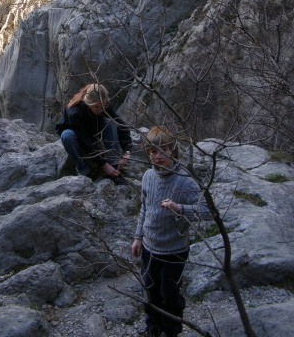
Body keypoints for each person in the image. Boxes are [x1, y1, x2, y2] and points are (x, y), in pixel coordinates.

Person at [131, 126, 211, 337]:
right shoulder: (148, 176)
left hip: (174, 251)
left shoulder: (184, 179)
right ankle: (152, 329)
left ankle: (172, 331)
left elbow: (206, 210)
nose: (158, 156)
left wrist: (179, 208)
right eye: (153, 152)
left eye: (163, 150)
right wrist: (138, 237)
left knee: (170, 295)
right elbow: (145, 207)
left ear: (173, 150)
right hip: (149, 248)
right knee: (149, 292)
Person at [56, 83, 132, 180]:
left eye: (103, 106)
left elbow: (121, 126)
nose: (100, 110)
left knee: (110, 123)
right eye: (96, 107)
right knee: (67, 136)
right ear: (88, 103)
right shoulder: (75, 112)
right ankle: (83, 169)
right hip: (77, 135)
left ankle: (114, 165)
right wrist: (103, 165)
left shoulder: (104, 106)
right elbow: (85, 141)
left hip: (95, 130)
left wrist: (127, 150)